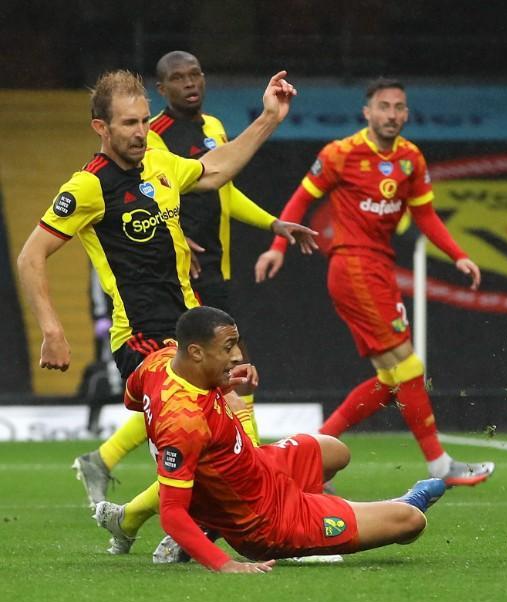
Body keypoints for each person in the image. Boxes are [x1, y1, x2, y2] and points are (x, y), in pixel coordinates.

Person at [15, 68, 315, 553]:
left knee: (238, 413)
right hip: (141, 340)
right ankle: (193, 530)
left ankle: (132, 520)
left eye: (143, 121)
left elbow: (215, 170)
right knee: (212, 437)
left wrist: (268, 118)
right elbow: (30, 256)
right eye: (128, 124)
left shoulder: (159, 160)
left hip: (190, 326)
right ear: (101, 128)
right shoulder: (89, 187)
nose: (140, 132)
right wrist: (52, 329)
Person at [253, 77, 493, 487]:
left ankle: (307, 459)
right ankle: (440, 465)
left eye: (399, 107)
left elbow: (426, 215)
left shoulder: (410, 159)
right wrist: (278, 245)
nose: (392, 114)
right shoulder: (340, 153)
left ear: (406, 113)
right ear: (367, 112)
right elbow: (301, 198)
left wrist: (459, 254)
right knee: (409, 365)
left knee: (390, 378)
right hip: (353, 266)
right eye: (383, 106)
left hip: (378, 269)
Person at [93, 306, 444, 572]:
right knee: (411, 522)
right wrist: (227, 565)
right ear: (197, 353)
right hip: (267, 521)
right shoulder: (183, 423)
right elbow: (171, 513)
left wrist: (225, 383)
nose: (238, 356)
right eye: (228, 347)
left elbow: (133, 398)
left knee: (335, 451)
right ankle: (390, 505)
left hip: (262, 466)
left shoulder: (159, 361)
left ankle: (331, 513)